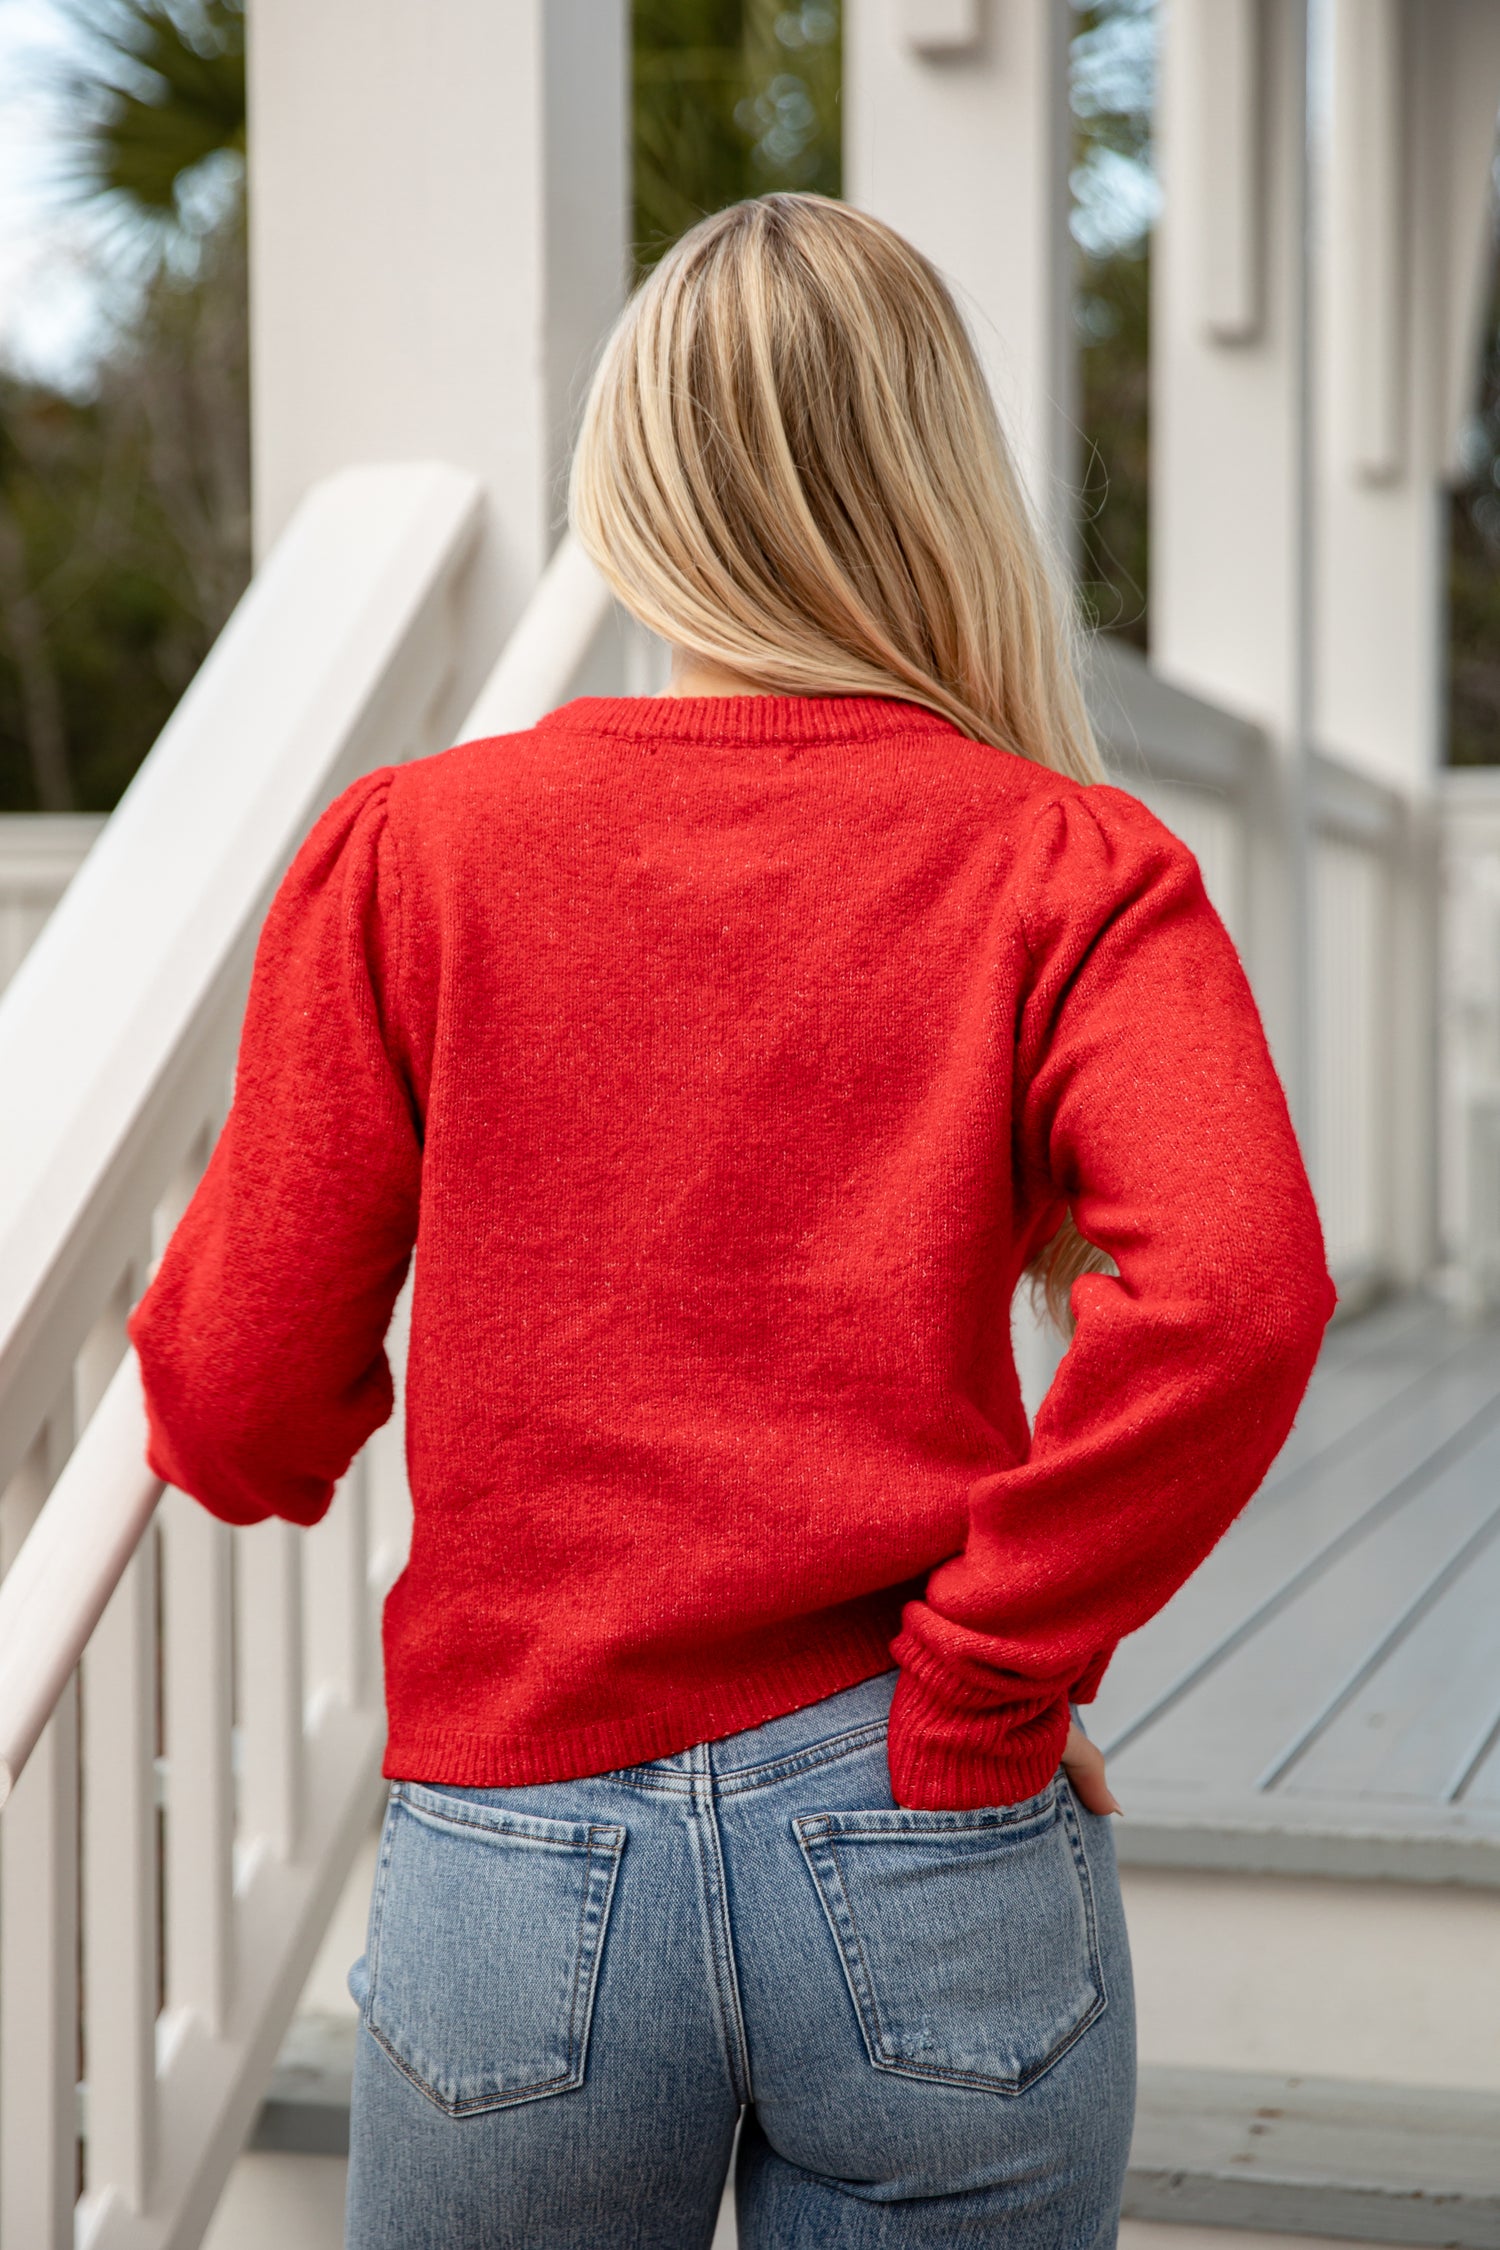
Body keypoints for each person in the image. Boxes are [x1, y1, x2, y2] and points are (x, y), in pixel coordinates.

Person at [128, 194, 1335, 2248]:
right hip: (926, 1829)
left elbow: (238, 1415)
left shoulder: (414, 854)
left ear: (632, 489)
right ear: (943, 487)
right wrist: (991, 1680)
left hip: (522, 1852)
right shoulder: (1071, 861)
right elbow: (1237, 1293)